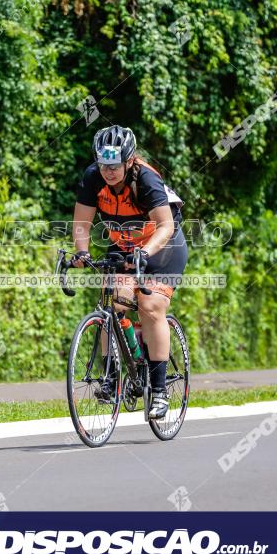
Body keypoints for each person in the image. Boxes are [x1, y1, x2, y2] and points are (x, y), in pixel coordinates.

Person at [71, 125, 188, 419]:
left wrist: (145, 253)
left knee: (150, 305)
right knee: (114, 302)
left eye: (114, 165)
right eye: (103, 164)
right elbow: (82, 223)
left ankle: (159, 392)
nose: (108, 171)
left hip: (162, 245)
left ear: (129, 160)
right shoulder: (92, 178)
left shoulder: (146, 178)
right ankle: (113, 377)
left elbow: (166, 226)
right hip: (123, 244)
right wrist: (82, 251)